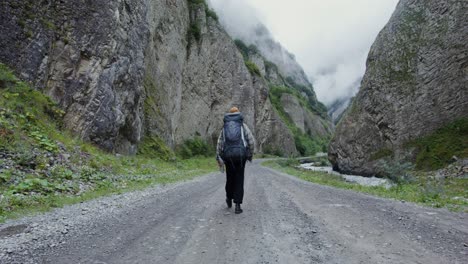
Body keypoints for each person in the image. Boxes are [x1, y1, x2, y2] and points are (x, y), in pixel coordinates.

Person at [216, 107, 255, 214]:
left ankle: (229, 199)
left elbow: (219, 143)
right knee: (239, 179)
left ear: (229, 114)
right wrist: (250, 154)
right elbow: (251, 141)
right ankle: (237, 206)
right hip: (240, 157)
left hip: (228, 157)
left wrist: (219, 157)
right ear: (238, 114)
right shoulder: (242, 125)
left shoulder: (225, 127)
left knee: (230, 179)